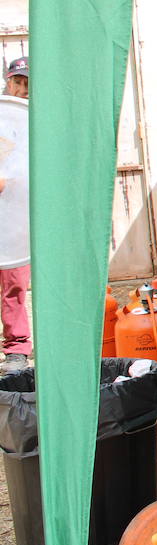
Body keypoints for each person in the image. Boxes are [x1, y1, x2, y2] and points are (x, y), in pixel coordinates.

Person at [0, 57, 31, 374]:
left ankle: (17, 349)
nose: (21, 90)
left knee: (14, 285)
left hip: (18, 218)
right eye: (17, 82)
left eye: (27, 85)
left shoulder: (35, 125)